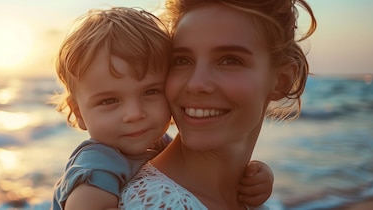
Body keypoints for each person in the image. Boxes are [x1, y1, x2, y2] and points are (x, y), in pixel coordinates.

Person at [51, 7, 275, 210]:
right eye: (109, 101)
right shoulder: (98, 162)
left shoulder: (159, 145)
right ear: (78, 112)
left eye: (150, 92)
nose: (134, 114)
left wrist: (255, 175)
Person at [119, 0, 317, 209]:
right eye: (182, 60)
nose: (196, 84)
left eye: (229, 60)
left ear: (282, 80)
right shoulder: (153, 203)